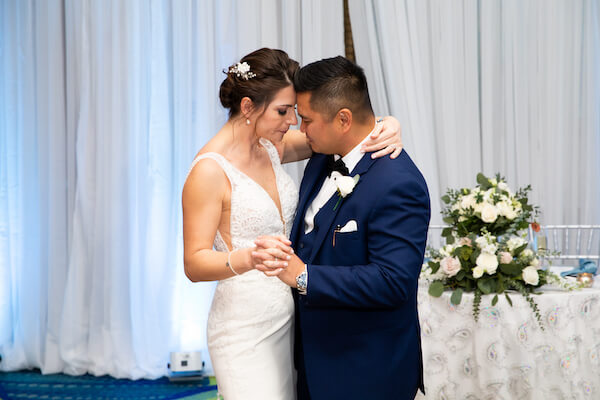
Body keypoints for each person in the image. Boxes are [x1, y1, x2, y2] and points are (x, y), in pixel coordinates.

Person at [182, 48, 403, 400]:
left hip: (292, 321)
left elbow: (345, 133)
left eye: (295, 113)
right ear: (248, 108)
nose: (292, 123)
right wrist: (248, 258)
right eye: (283, 112)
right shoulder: (209, 171)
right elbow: (194, 262)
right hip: (245, 326)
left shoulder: (270, 146)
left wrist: (389, 125)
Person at [253, 56, 430, 399]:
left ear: (343, 119)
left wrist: (305, 276)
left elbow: (393, 281)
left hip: (366, 370)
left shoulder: (398, 182)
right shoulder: (323, 154)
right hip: (311, 359)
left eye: (306, 119)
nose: (299, 129)